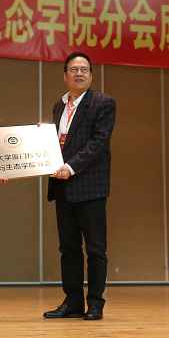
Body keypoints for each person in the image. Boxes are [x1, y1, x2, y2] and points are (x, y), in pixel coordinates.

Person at [43, 52, 116, 321]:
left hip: (90, 186)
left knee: (95, 249)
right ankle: (73, 301)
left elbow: (98, 142)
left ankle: (95, 303)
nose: (79, 73)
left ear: (91, 75)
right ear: (65, 76)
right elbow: (60, 141)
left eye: (84, 69)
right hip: (62, 186)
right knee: (68, 249)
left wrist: (71, 166)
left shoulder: (103, 103)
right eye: (73, 69)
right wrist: (41, 138)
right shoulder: (59, 106)